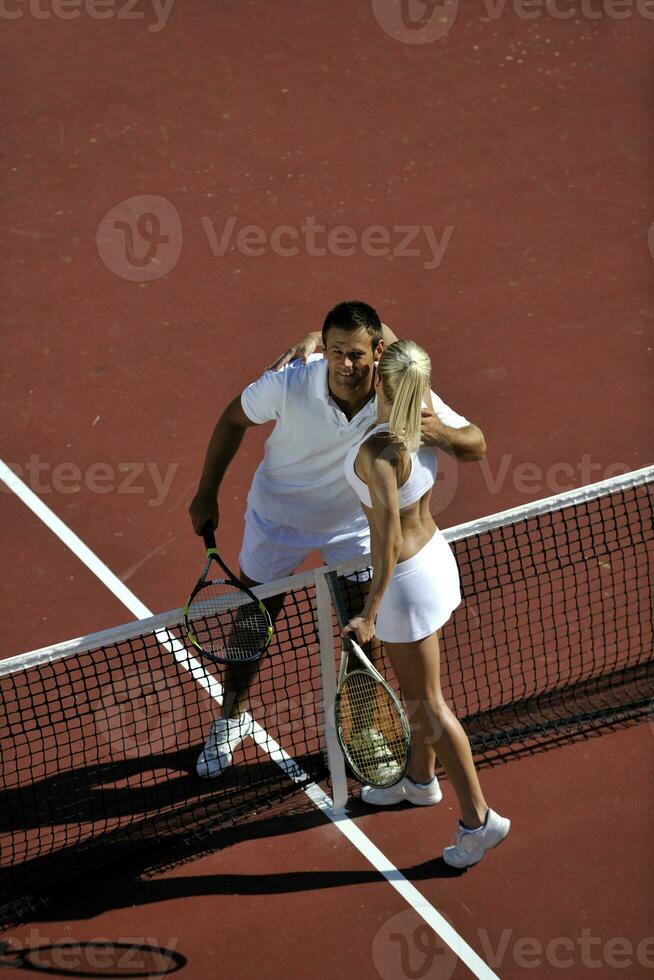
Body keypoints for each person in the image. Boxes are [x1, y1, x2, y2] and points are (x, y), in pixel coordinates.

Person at [189, 300, 485, 780]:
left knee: (360, 635)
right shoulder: (288, 382)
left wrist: (438, 432)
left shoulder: (401, 394)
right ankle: (230, 719)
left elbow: (476, 443)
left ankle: (364, 726)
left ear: (379, 352)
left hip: (353, 527)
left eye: (356, 354)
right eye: (335, 352)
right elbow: (232, 420)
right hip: (278, 519)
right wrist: (207, 492)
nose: (345, 365)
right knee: (252, 626)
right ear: (322, 349)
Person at [342, 339, 510, 869]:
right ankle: (419, 780)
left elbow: (387, 540)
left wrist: (369, 613)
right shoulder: (427, 414)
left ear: (380, 382)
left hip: (406, 583)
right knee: (419, 696)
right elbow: (399, 349)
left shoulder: (376, 452)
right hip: (435, 559)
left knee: (428, 705)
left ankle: (480, 820)